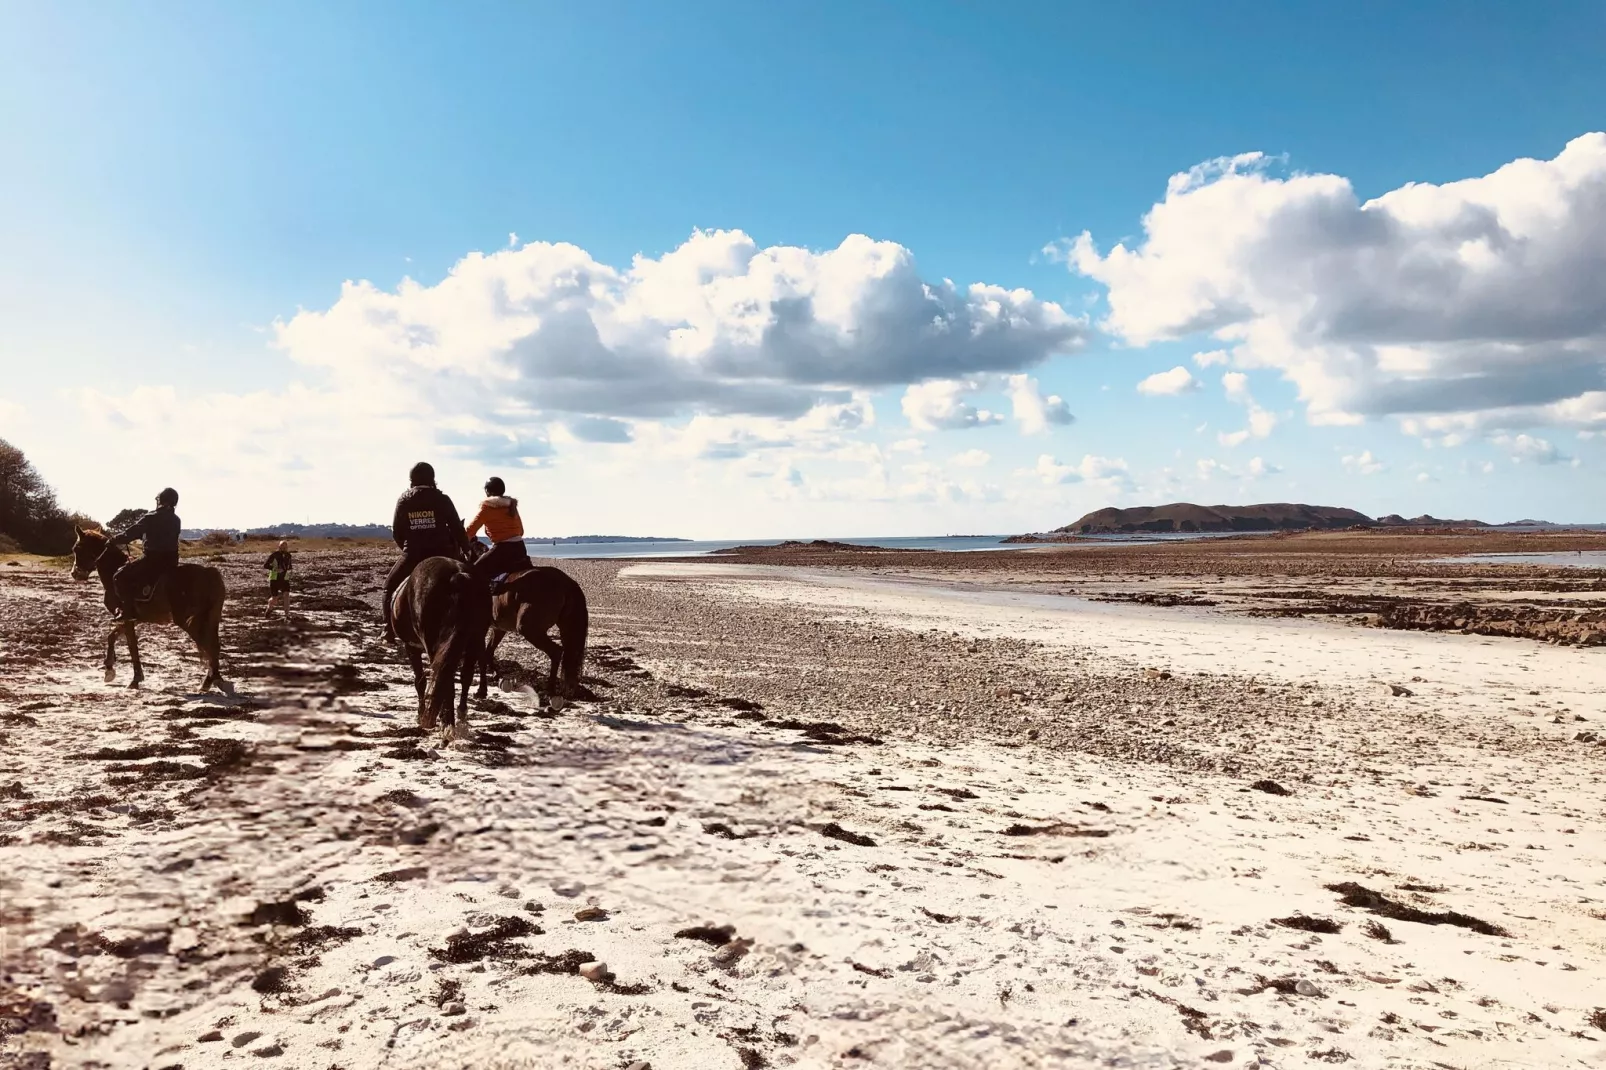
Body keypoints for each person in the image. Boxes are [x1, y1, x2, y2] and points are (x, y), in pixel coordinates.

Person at [383, 461, 470, 640]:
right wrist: (467, 550)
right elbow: (456, 528)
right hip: (443, 553)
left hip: (414, 554)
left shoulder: (404, 499)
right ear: (433, 478)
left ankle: (388, 630)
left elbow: (397, 531)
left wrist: (407, 549)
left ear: (411, 479)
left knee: (389, 587)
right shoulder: (442, 499)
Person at [109, 488, 182, 617]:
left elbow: (130, 533)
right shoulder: (176, 519)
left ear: (161, 501)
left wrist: (114, 540)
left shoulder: (151, 517)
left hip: (152, 560)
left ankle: (128, 611)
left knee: (119, 576)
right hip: (172, 561)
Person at [465, 476, 532, 589]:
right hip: (520, 548)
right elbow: (520, 531)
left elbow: (470, 531)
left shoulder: (486, 507)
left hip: (502, 549)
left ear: (487, 491)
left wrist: (461, 540)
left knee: (473, 572)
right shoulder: (511, 506)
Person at [265, 540, 293, 611]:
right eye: (282, 547)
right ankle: (269, 607)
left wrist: (290, 572)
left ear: (287, 548)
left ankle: (287, 615)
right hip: (274, 579)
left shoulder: (289, 556)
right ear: (279, 547)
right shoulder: (274, 555)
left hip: (285, 579)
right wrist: (275, 569)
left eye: (285, 547)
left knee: (286, 595)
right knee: (275, 600)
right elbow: (266, 565)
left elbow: (289, 566)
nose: (283, 549)